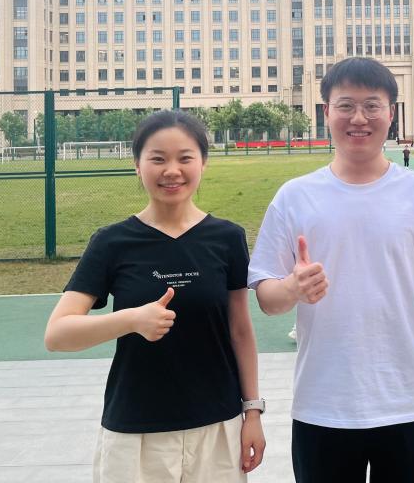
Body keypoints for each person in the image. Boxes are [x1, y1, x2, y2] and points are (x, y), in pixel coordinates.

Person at [248, 56, 414, 483]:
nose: (359, 118)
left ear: (391, 113)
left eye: (372, 105)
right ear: (326, 111)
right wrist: (292, 288)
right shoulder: (295, 197)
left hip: (408, 403)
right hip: (323, 404)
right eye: (346, 105)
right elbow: (267, 298)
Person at [45, 110, 265, 482]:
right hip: (136, 432)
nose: (171, 171)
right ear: (138, 166)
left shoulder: (227, 238)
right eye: (158, 159)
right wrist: (131, 319)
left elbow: (240, 331)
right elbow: (57, 334)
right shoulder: (112, 242)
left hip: (216, 426)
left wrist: (253, 412)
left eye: (185, 158)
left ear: (203, 163)